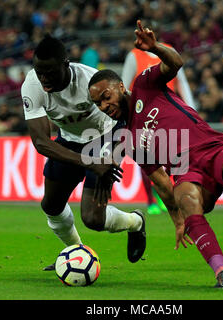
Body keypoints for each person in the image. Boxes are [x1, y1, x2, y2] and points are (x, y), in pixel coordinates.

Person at [88, 21, 223, 288]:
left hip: (211, 146)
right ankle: (222, 271)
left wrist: (156, 47)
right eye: (98, 103)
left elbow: (176, 64)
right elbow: (159, 179)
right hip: (184, 170)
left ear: (121, 87)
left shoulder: (145, 84)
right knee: (185, 199)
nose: (104, 105)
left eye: (106, 96)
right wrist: (176, 220)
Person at [21, 34, 146, 271]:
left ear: (65, 64)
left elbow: (125, 110)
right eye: (39, 72)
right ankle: (75, 252)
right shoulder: (32, 86)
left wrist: (113, 154)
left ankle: (136, 222)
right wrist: (89, 162)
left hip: (106, 136)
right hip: (70, 140)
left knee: (93, 219)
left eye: (50, 72)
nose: (44, 78)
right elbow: (40, 142)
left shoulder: (89, 81)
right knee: (51, 205)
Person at [121, 26, 195, 216]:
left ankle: (164, 194)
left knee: (168, 157)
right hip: (141, 114)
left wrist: (192, 109)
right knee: (145, 157)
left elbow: (182, 82)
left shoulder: (170, 52)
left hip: (166, 112)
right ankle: (150, 200)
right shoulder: (134, 56)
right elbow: (123, 83)